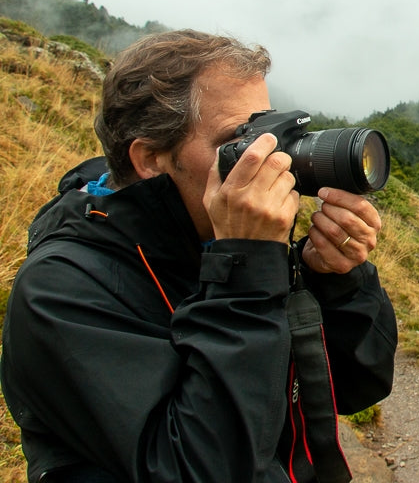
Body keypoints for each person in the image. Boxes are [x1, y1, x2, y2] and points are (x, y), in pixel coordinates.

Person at [1, 30, 397, 482]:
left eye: (266, 127)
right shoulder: (61, 291)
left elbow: (357, 385)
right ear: (151, 158)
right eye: (239, 138)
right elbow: (203, 468)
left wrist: (335, 280)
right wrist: (245, 271)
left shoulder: (216, 239)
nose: (269, 157)